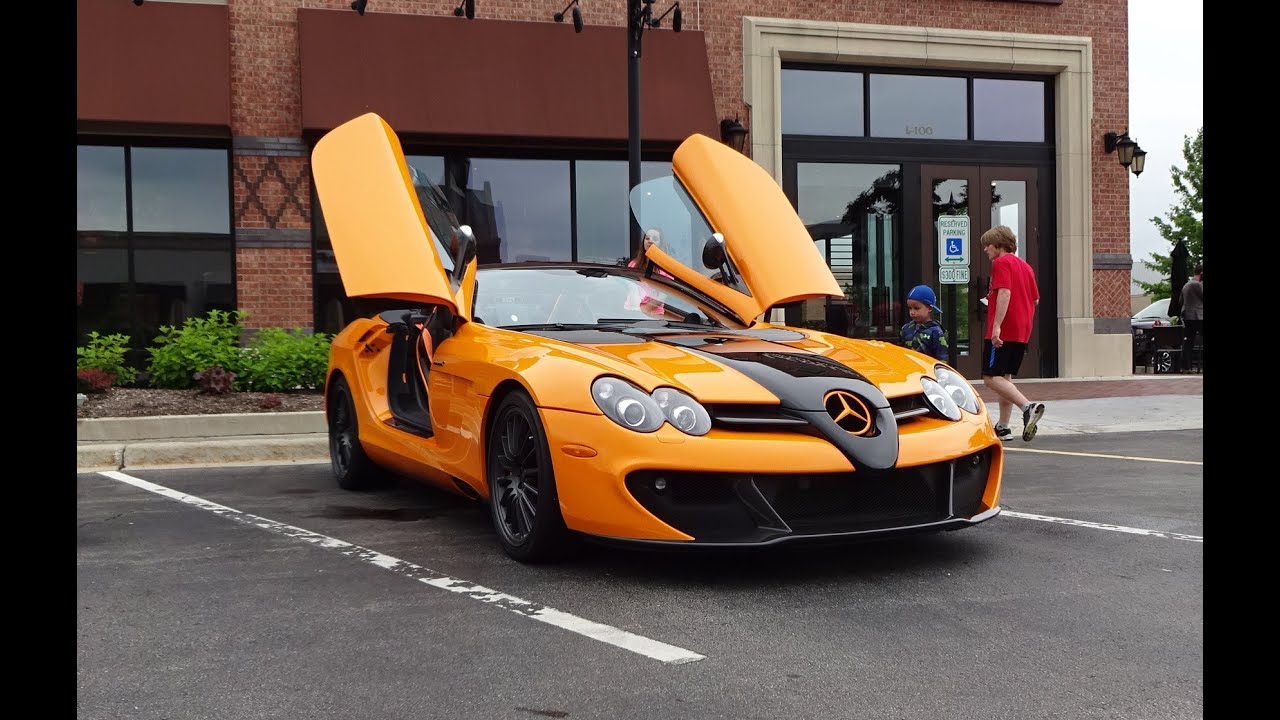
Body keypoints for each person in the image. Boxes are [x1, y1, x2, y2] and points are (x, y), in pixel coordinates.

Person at [979, 225, 1046, 442]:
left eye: (988, 245)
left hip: (1003, 329)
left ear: (999, 245)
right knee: (1005, 377)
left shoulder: (1001, 263)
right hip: (1022, 329)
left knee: (990, 377)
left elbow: (1005, 293)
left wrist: (997, 325)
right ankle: (1004, 427)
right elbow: (1035, 300)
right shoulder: (1026, 267)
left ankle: (1027, 407)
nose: (985, 250)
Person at [901, 285, 949, 362]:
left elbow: (942, 357)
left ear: (929, 308)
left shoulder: (936, 331)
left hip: (927, 371)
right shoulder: (906, 328)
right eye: (910, 308)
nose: (912, 312)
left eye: (916, 308)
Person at [1178, 264, 1203, 372]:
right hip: (1198, 317)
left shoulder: (1186, 285)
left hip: (1187, 317)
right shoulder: (1197, 285)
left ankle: (1185, 367)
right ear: (1201, 273)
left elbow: (1180, 301)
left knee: (1189, 342)